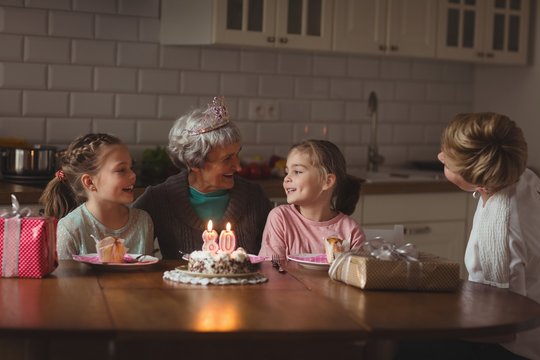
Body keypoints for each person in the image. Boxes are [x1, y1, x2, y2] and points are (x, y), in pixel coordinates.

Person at [396, 112, 540, 360]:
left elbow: (500, 329)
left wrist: (432, 320)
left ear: (476, 178)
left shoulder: (499, 229)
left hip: (512, 351)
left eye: (447, 161)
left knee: (394, 341)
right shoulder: (522, 178)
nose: (439, 156)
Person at [132, 96, 273, 259]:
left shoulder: (255, 197)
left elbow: (274, 260)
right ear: (194, 163)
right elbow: (126, 243)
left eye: (237, 154)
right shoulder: (160, 199)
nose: (239, 167)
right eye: (227, 158)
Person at [39, 133, 154, 260]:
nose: (133, 175)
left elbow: (147, 273)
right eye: (121, 170)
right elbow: (65, 279)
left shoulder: (143, 221)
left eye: (131, 167)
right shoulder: (70, 228)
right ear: (89, 182)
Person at [259, 139, 365, 260]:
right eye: (287, 172)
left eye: (297, 172)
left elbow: (356, 275)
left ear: (327, 181)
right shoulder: (280, 218)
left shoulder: (351, 231)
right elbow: (272, 269)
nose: (287, 178)